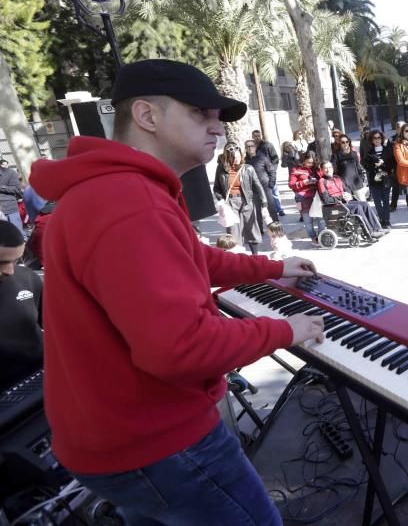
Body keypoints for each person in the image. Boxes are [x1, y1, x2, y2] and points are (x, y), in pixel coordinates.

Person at [29, 58, 325, 526]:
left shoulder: (112, 190)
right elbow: (181, 348)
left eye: (218, 120)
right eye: (199, 114)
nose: (217, 130)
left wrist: (272, 267)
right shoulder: (132, 203)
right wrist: (287, 330)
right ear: (147, 116)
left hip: (110, 438)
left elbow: (193, 258)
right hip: (157, 441)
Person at [0, 219, 43, 387]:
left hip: (37, 379)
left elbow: (57, 329)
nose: (10, 271)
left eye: (16, 261)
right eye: (1, 263)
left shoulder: (28, 279)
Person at [213, 143, 268, 255]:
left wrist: (264, 202)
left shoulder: (248, 168)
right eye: (234, 157)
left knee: (251, 229)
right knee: (233, 231)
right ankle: (237, 258)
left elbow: (257, 185)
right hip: (230, 203)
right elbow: (216, 188)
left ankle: (255, 256)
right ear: (229, 157)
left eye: (239, 157)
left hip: (246, 202)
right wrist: (222, 201)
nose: (237, 160)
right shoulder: (221, 169)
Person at [363, 130, 395, 229]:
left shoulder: (388, 150)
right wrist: (374, 166)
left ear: (381, 138)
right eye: (374, 138)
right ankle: (381, 220)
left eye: (379, 138)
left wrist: (383, 164)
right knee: (377, 202)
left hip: (385, 179)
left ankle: (387, 220)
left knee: (385, 200)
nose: (377, 140)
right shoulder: (369, 152)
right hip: (374, 180)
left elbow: (393, 164)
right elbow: (366, 166)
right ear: (371, 140)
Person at [288, 152, 321, 243]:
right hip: (303, 197)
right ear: (303, 161)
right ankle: (313, 238)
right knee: (308, 220)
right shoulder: (296, 170)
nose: (310, 165)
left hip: (316, 196)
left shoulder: (315, 169)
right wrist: (303, 183)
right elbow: (291, 185)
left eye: (312, 163)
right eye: (308, 162)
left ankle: (322, 236)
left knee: (320, 218)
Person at [252, 129, 283, 217]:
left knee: (274, 191)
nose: (257, 138)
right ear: (252, 137)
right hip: (259, 173)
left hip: (269, 171)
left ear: (261, 136)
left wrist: (273, 169)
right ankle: (268, 210)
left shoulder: (267, 145)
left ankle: (279, 209)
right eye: (255, 136)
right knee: (264, 193)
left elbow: (275, 158)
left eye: (258, 136)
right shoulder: (252, 146)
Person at [246, 139, 278, 223]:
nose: (250, 148)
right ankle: (260, 230)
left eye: (252, 146)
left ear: (255, 147)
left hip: (265, 186)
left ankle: (276, 226)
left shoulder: (263, 158)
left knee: (271, 207)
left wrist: (271, 183)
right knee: (257, 210)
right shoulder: (245, 160)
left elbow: (272, 171)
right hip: (253, 188)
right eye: (247, 146)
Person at [0, 159, 23, 237]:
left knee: (17, 236)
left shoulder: (10, 173)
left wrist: (1, 187)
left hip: (9, 209)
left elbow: (16, 189)